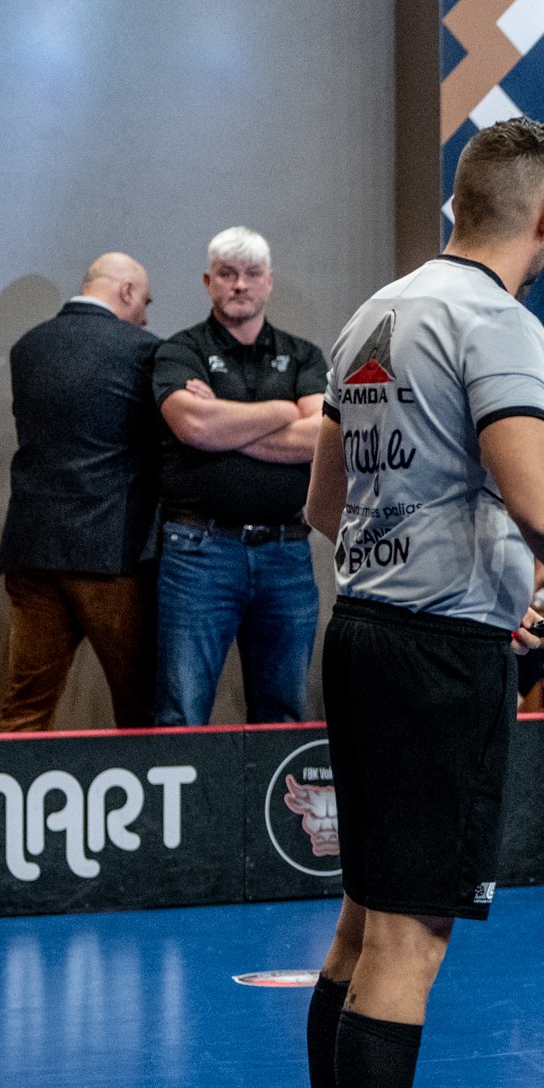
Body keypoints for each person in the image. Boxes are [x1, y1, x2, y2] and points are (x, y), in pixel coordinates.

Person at [295, 116, 544, 1088]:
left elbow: (325, 502)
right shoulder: (497, 323)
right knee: (408, 943)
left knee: (359, 925)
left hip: (365, 633)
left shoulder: (373, 316)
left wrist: (479, 563)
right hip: (436, 662)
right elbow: (541, 498)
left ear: (455, 205)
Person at [151, 227, 329, 726]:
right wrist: (282, 410)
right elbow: (192, 425)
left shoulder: (304, 355)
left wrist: (225, 427)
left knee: (283, 715)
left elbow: (321, 436)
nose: (240, 285)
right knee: (182, 714)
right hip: (199, 551)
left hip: (286, 552)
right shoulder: (179, 351)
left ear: (269, 281)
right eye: (227, 274)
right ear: (208, 281)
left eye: (252, 274)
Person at [0, 253, 161, 729]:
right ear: (126, 291)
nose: (145, 316)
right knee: (141, 710)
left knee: (25, 708)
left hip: (32, 548)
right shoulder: (143, 351)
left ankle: (8, 781)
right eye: (145, 302)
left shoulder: (27, 348)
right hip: (113, 553)